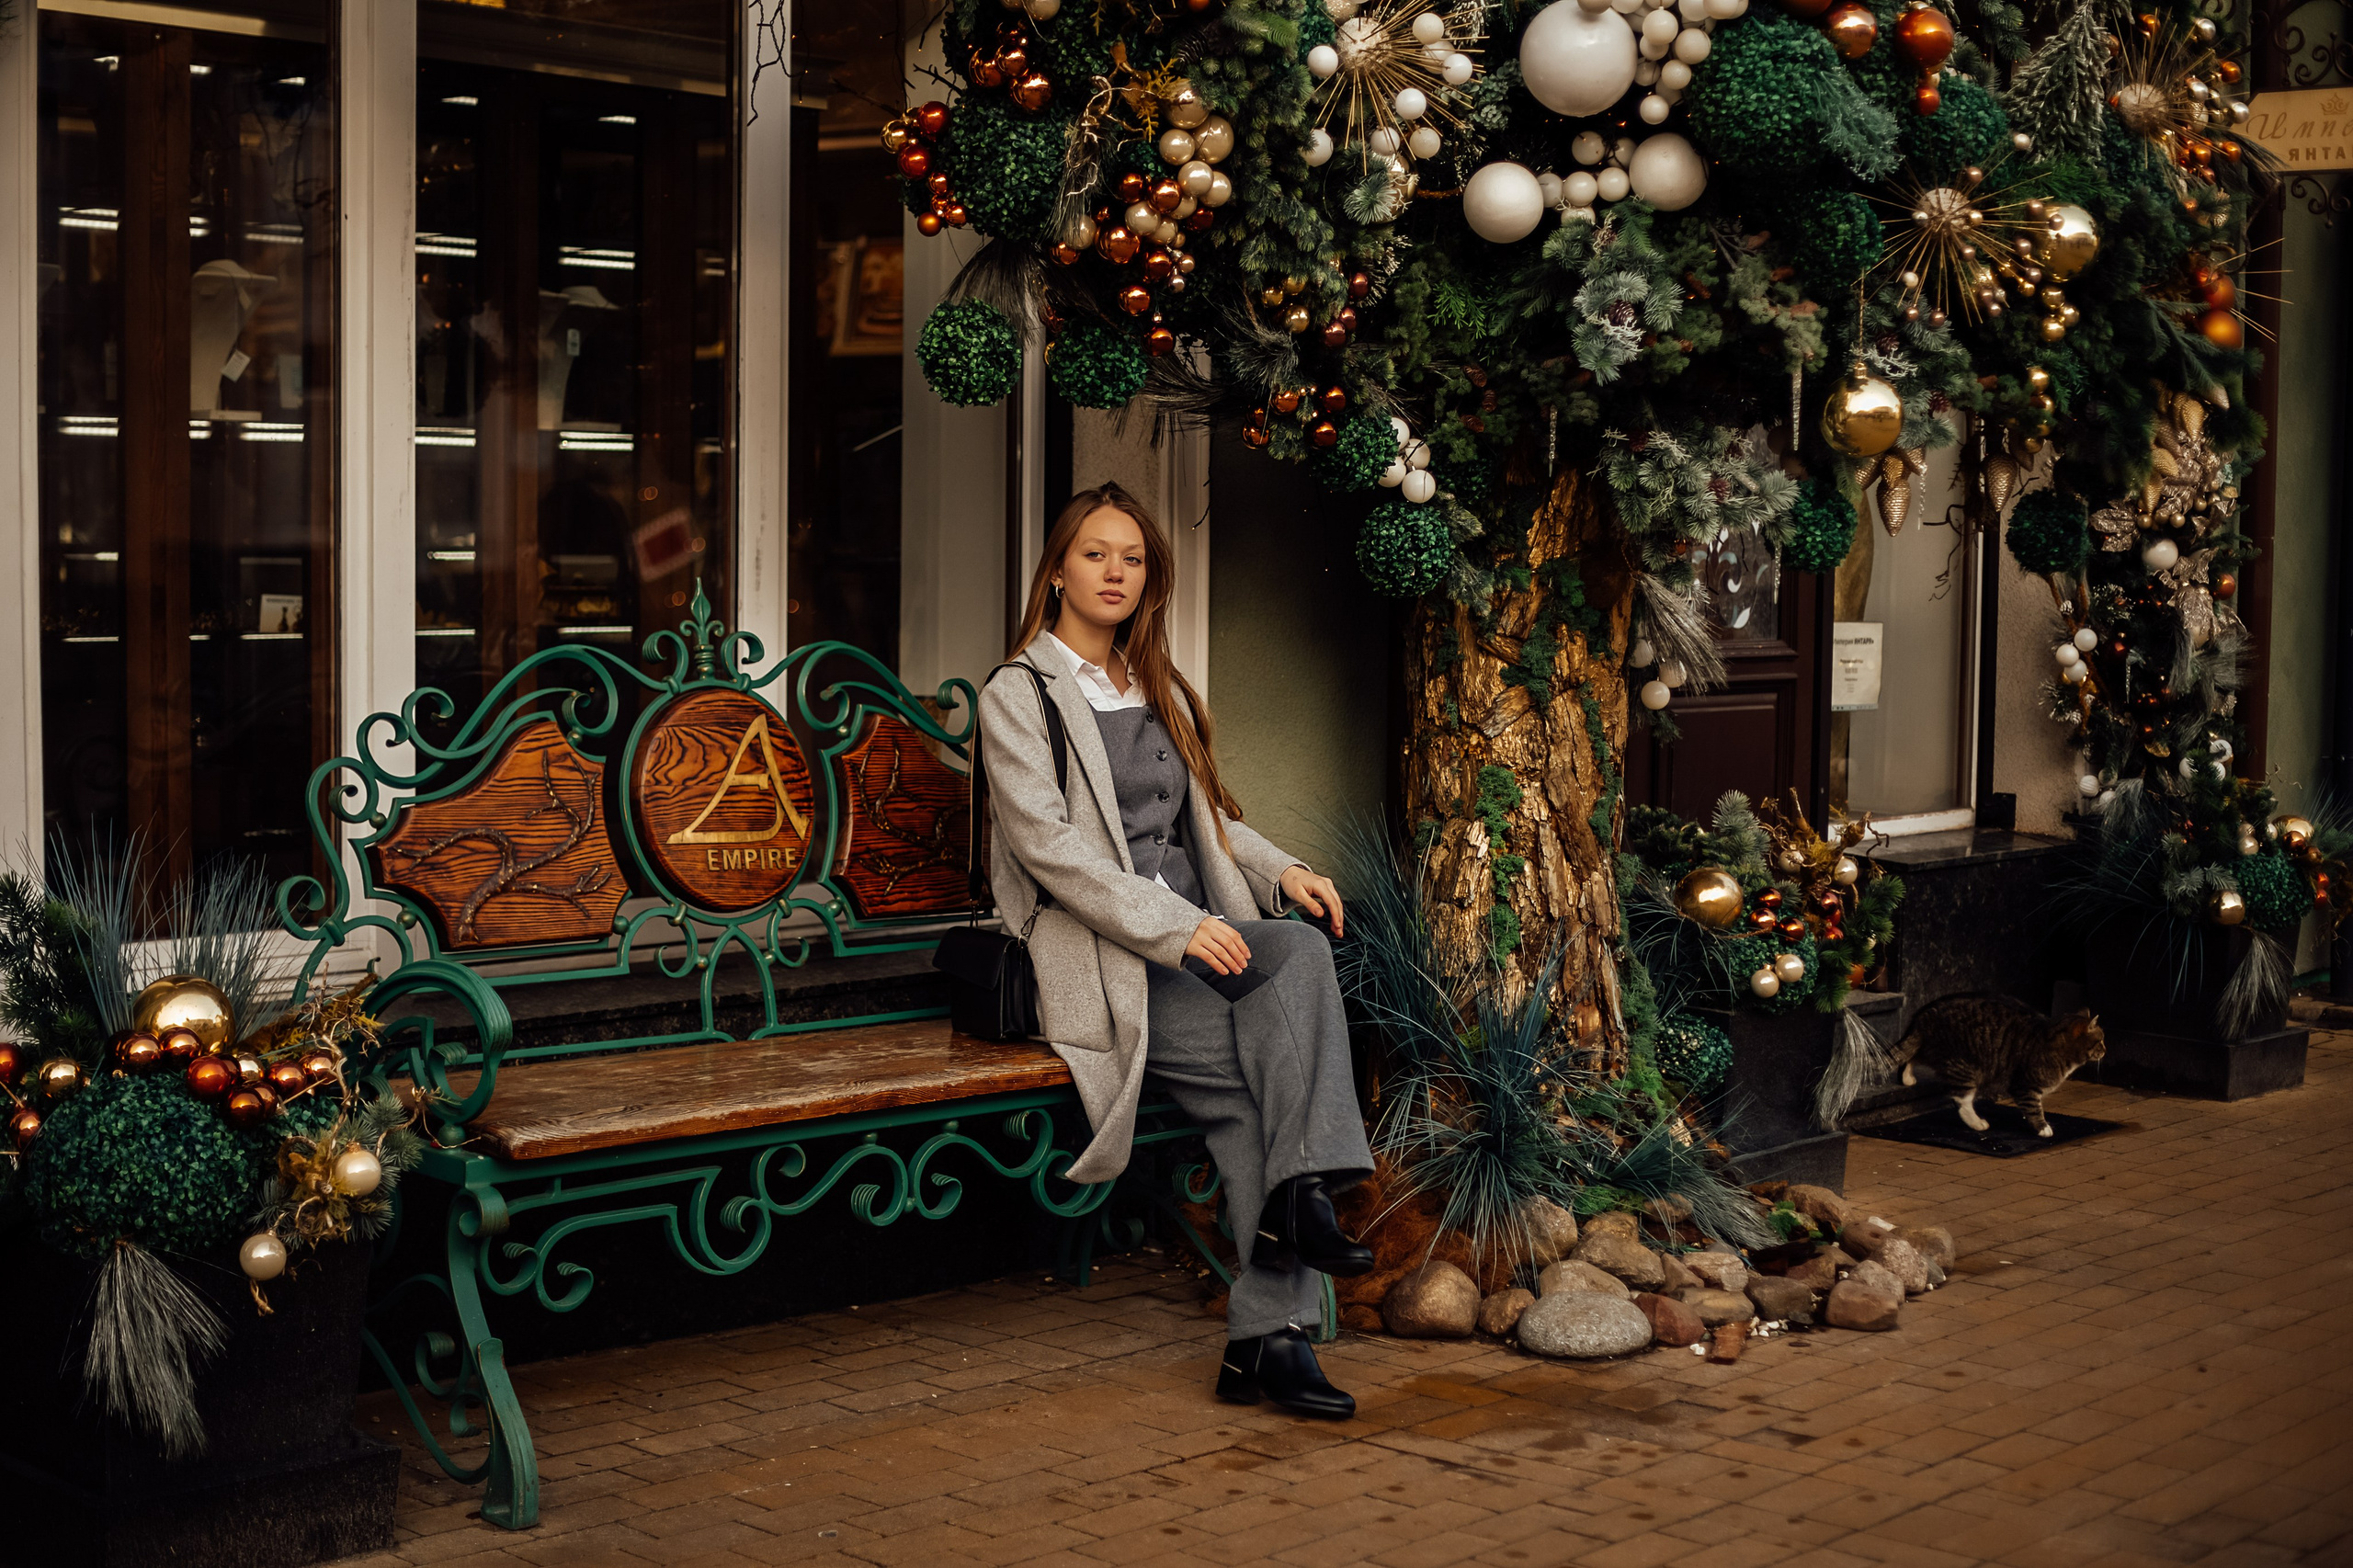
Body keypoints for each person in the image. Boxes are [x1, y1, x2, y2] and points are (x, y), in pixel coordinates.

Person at [978, 483, 1376, 1420]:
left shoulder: (1153, 683)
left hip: (1204, 943)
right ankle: (1273, 1327)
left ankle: (1290, 1235)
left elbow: (1212, 819)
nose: (1114, 572)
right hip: (1106, 959)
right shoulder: (1019, 694)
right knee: (1253, 1095)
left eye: (1133, 559)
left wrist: (1284, 872)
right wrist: (1173, 927)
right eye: (1095, 554)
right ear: (1057, 570)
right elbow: (1050, 851)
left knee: (1299, 950)